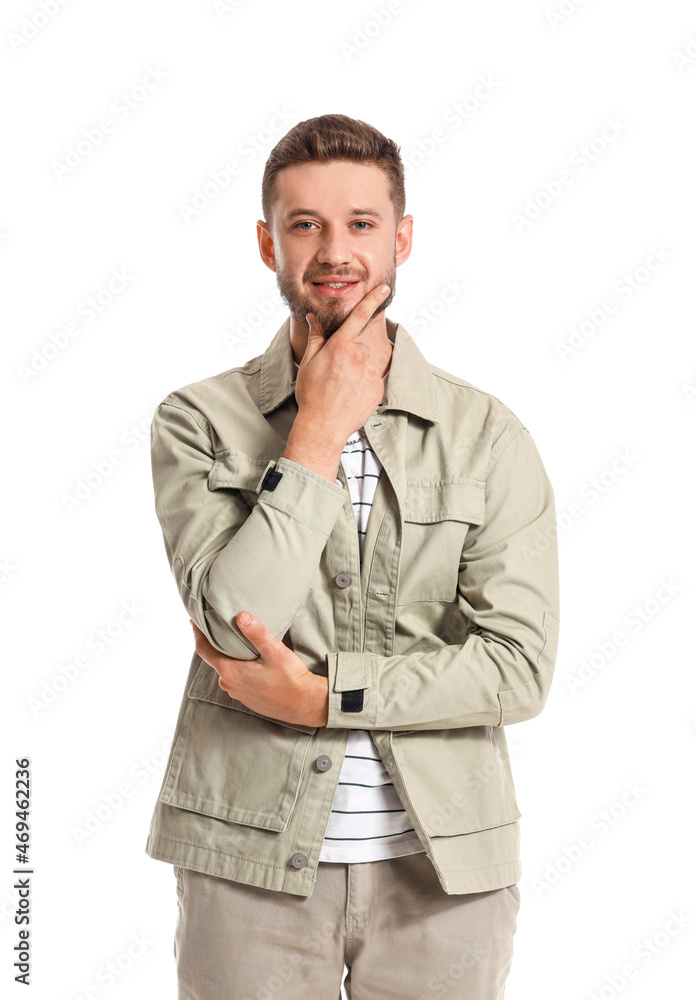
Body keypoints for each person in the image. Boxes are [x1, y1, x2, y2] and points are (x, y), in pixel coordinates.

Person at [145, 113, 560, 999]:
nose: (336, 251)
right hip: (244, 864)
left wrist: (329, 695)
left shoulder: (486, 435)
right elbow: (229, 620)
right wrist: (320, 429)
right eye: (306, 225)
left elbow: (518, 670)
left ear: (401, 237)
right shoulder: (198, 420)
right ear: (268, 244)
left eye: (362, 224)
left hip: (443, 876)